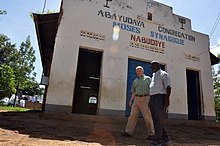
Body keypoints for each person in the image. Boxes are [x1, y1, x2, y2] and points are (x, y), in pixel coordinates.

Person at [122, 66, 155, 140]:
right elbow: (133, 91)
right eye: (137, 71)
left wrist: (151, 100)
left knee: (147, 116)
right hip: (136, 99)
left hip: (145, 98)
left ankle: (151, 134)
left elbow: (151, 90)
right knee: (132, 115)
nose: (138, 72)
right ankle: (128, 132)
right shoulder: (135, 81)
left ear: (143, 71)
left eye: (140, 71)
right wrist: (131, 100)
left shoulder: (148, 79)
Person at [149, 61, 171, 146]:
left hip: (160, 98)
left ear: (158, 66)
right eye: (151, 66)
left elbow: (168, 87)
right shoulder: (154, 75)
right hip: (152, 99)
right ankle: (165, 139)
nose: (153, 67)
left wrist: (167, 99)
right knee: (156, 120)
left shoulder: (164, 74)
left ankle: (157, 140)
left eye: (154, 65)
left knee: (159, 119)